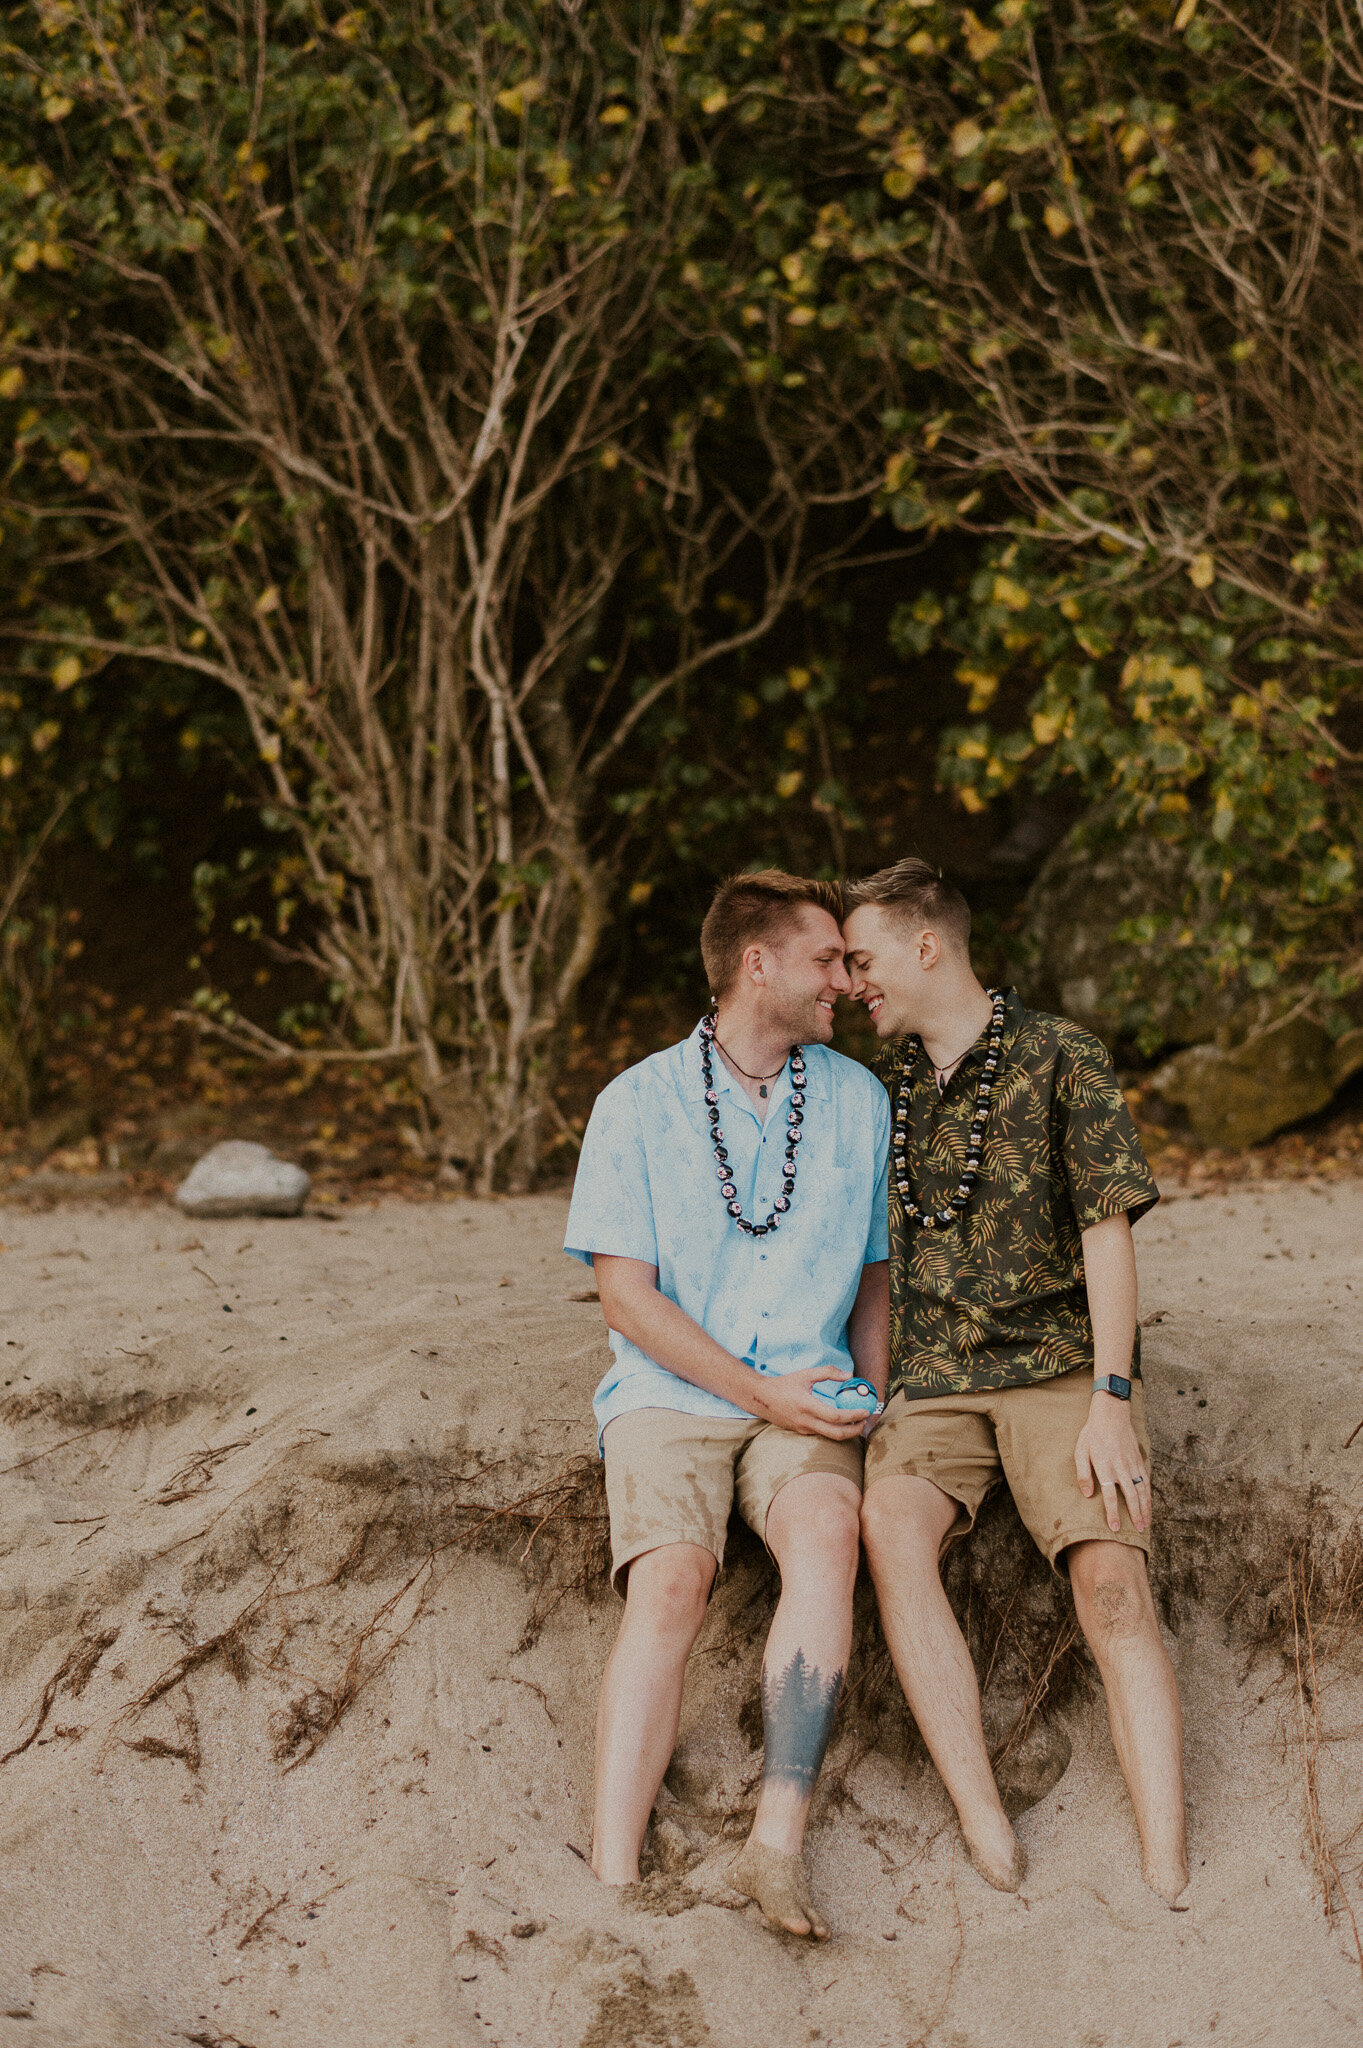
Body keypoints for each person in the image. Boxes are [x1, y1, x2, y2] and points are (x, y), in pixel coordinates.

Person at [841, 856, 1188, 1907]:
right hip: (936, 1379)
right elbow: (878, 1262)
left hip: (1057, 1368)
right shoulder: (883, 1091)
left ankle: (1168, 1862)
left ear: (926, 943)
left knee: (1111, 1582)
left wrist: (1112, 1399)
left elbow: (1105, 1230)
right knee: (891, 1527)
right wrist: (878, 1390)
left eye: (863, 958)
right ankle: (983, 1814)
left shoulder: (1058, 1057)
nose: (854, 981)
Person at [564, 869, 890, 1939]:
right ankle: (611, 1877)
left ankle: (774, 1846)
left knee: (829, 1530)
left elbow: (876, 1275)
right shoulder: (637, 1101)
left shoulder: (855, 1098)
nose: (847, 978)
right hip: (672, 1392)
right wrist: (757, 1392)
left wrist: (870, 1393)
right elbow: (625, 1295)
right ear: (758, 964)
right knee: (668, 1582)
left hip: (811, 1385)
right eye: (827, 959)